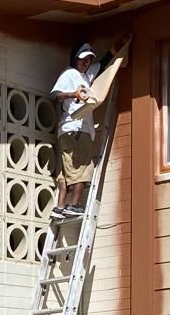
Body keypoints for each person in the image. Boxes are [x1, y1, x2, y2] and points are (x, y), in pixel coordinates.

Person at [49, 37, 131, 223]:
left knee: (67, 171)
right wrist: (74, 94)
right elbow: (55, 95)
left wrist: (121, 43)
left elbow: (103, 63)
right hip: (75, 129)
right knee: (84, 168)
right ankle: (74, 205)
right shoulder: (69, 74)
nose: (86, 62)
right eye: (82, 58)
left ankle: (60, 207)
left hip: (70, 131)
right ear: (75, 59)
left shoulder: (86, 76)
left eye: (88, 59)